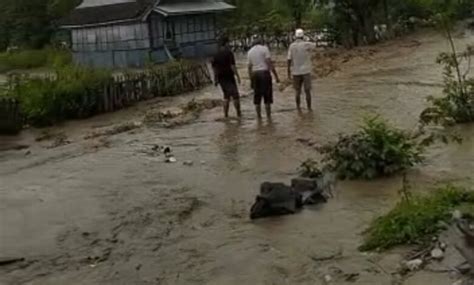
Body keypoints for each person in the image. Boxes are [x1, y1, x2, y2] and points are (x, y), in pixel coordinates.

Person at [247, 36, 280, 119]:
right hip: (264, 73)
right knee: (267, 96)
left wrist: (251, 80)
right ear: (260, 41)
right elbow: (269, 62)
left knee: (257, 97)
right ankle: (269, 117)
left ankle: (259, 117)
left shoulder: (250, 52)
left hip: (255, 74)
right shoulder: (265, 49)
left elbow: (249, 67)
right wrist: (276, 76)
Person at [212, 36, 241, 118]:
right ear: (226, 43)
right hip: (229, 76)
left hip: (221, 77)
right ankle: (238, 114)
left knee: (226, 96)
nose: (229, 44)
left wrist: (215, 79)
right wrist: (238, 76)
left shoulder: (216, 54)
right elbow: (232, 66)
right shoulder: (229, 53)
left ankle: (226, 115)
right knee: (235, 95)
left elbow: (214, 68)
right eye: (229, 43)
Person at [287, 29, 317, 110]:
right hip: (306, 71)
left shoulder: (291, 46)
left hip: (295, 71)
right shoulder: (307, 44)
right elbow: (315, 45)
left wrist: (288, 72)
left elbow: (289, 59)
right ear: (303, 36)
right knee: (307, 91)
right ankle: (309, 108)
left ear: (295, 36)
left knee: (297, 91)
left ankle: (298, 108)